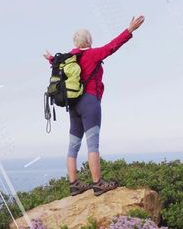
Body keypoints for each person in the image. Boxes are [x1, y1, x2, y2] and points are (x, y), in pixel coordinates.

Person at [43, 15, 145, 196]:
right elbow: (112, 46)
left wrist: (51, 58)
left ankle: (74, 184)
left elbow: (57, 64)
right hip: (90, 103)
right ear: (89, 41)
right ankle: (97, 183)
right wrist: (129, 30)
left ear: (75, 43)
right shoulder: (92, 54)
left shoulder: (68, 58)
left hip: (73, 105)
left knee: (72, 147)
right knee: (93, 145)